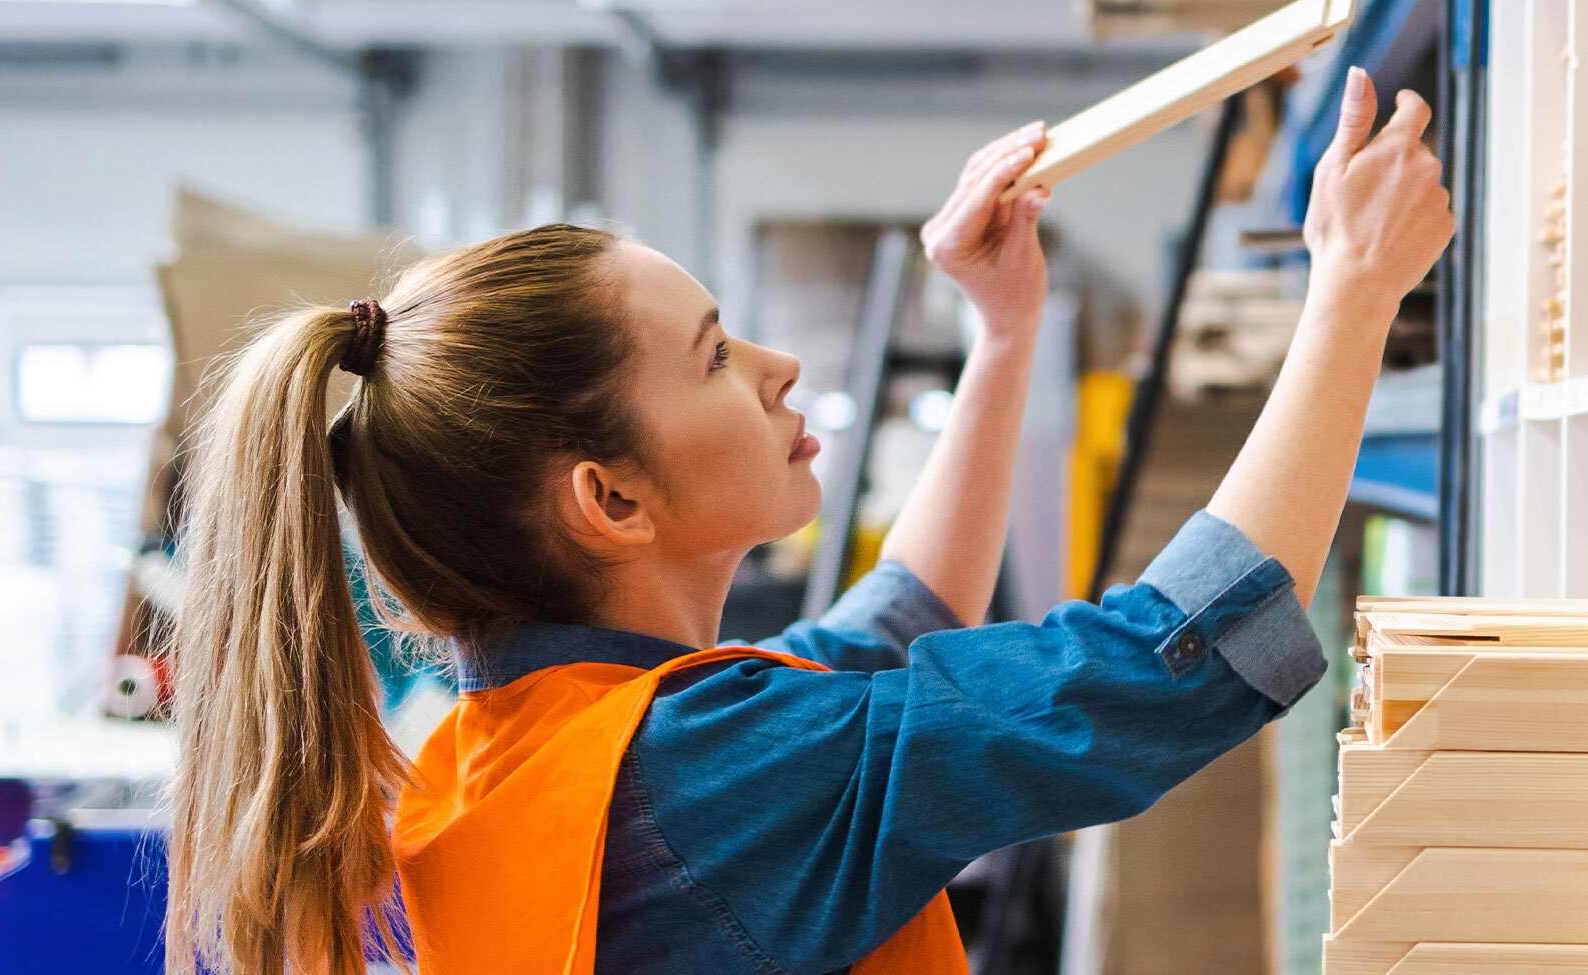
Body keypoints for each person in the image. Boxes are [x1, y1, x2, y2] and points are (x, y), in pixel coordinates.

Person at [165, 66, 1452, 975]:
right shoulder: (707, 775)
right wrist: (1348, 296)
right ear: (610, 499)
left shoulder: (523, 753)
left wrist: (999, 334)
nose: (779, 365)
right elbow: (1160, 663)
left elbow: (891, 630)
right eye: (716, 354)